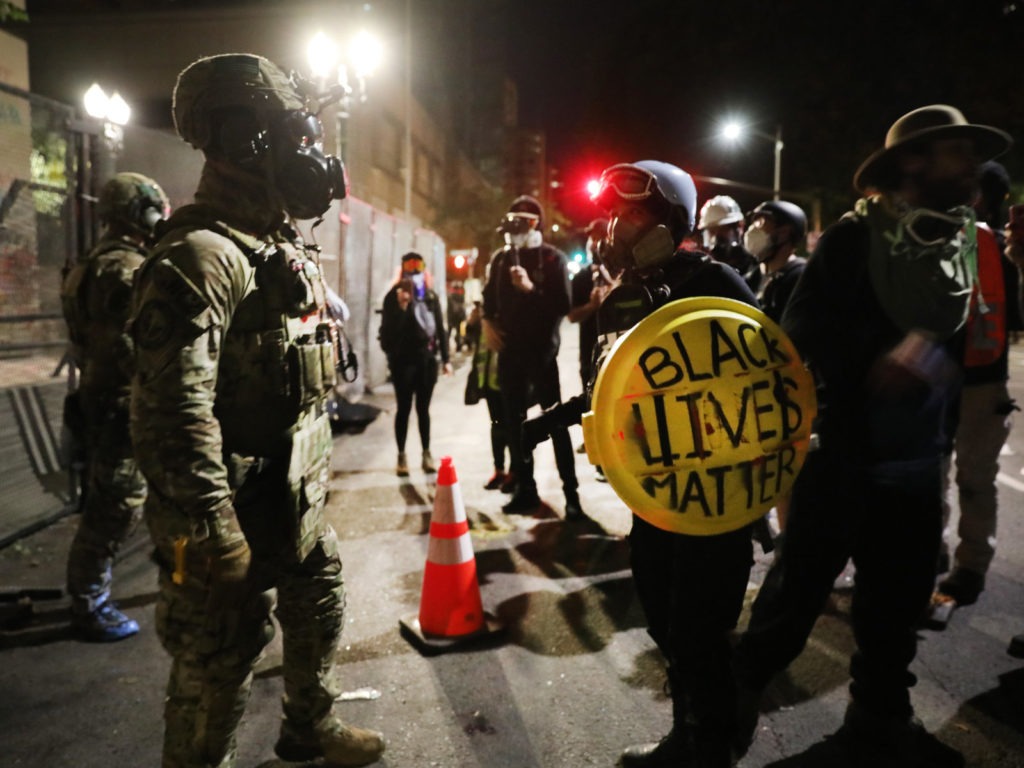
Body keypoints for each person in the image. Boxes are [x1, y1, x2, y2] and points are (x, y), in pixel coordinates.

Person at [731, 105, 1012, 768]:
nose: (972, 167)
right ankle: (714, 723)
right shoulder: (854, 241)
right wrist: (878, 358)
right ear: (913, 162)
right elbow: (797, 335)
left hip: (917, 464)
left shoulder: (960, 242)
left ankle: (880, 720)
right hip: (846, 461)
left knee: (894, 611)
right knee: (791, 604)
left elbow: (963, 338)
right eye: (955, 152)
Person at [129, 53, 384, 768]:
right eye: (293, 134)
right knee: (219, 664)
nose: (311, 154)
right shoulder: (201, 257)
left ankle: (309, 726)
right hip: (226, 510)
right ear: (243, 137)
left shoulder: (273, 245)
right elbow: (170, 416)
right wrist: (215, 532)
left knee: (319, 599)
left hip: (287, 496)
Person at [528, 160, 759, 767]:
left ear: (670, 221)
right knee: (661, 615)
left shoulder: (719, 285)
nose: (615, 228)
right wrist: (551, 422)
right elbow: (610, 386)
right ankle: (701, 726)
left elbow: (768, 382)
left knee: (699, 626)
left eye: (631, 215)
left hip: (715, 494)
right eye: (614, 215)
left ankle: (707, 743)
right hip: (655, 493)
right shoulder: (622, 298)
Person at [60, 171, 168, 642]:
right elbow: (131, 346)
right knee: (114, 508)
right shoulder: (124, 269)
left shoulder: (92, 263)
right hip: (121, 404)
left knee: (113, 502)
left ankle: (93, 595)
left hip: (100, 399)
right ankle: (89, 605)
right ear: (139, 212)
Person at [930, 161, 1020, 612]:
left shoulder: (1005, 252)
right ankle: (942, 554)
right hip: (947, 378)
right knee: (943, 476)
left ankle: (969, 566)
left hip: (980, 385)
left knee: (972, 479)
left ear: (978, 196)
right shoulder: (946, 240)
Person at [482, 194, 582, 519]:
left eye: (519, 223)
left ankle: (572, 495)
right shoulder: (500, 259)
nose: (513, 230)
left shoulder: (552, 258)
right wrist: (486, 321)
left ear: (534, 224)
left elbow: (563, 307)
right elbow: (488, 300)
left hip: (541, 354)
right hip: (510, 355)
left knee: (555, 423)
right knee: (515, 426)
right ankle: (526, 489)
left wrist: (530, 290)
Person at [379, 251, 452, 476]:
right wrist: (401, 308)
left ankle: (426, 453)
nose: (413, 270)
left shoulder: (430, 296)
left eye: (417, 265)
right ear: (402, 270)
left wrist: (446, 359)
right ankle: (401, 456)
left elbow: (440, 328)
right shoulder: (393, 297)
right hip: (403, 362)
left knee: (423, 409)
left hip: (426, 360)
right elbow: (387, 333)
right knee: (403, 408)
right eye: (409, 266)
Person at [464, 300, 509, 490]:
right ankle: (499, 470)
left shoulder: (506, 308)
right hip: (489, 381)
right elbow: (470, 336)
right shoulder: (485, 310)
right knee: (497, 427)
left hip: (508, 380)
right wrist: (473, 321)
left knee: (514, 428)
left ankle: (516, 473)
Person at [567, 217, 616, 391]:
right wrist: (592, 306)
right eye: (592, 238)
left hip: (619, 355)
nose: (595, 244)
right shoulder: (581, 278)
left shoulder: (621, 272)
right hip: (589, 357)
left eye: (600, 238)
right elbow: (572, 316)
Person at [746, 200, 808, 324]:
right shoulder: (751, 276)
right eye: (754, 222)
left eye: (762, 222)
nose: (753, 229)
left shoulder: (801, 279)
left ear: (784, 233)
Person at [696, 194, 760, 291]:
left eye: (723, 229)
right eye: (712, 231)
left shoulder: (754, 269)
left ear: (740, 227)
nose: (716, 238)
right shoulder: (701, 269)